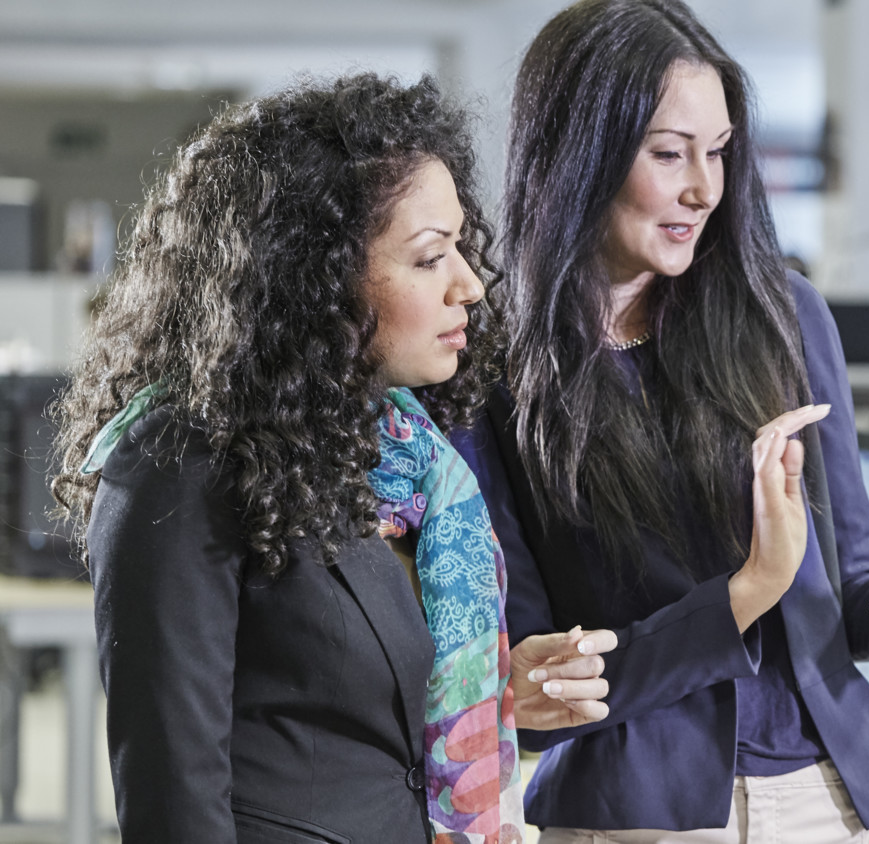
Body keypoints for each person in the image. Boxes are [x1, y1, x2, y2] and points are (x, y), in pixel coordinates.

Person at [454, 1, 869, 840]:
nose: (703, 188)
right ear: (580, 155)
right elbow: (542, 698)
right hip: (641, 817)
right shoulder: (498, 373)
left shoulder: (784, 316)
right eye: (668, 153)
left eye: (719, 151)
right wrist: (745, 592)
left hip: (828, 800)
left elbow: (854, 599)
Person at [49, 73, 616, 844]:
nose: (470, 286)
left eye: (461, 247)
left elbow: (370, 711)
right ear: (315, 278)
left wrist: (504, 687)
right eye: (428, 258)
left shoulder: (403, 456)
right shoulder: (179, 459)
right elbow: (174, 800)